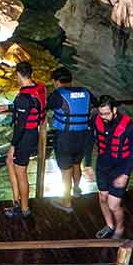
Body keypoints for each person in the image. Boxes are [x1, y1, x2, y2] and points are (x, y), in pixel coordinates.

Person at [45, 66, 93, 212]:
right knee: (77, 164)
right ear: (70, 81)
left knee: (66, 171)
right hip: (83, 136)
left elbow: (45, 106)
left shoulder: (58, 94)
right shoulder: (85, 92)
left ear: (56, 82)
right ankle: (77, 190)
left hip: (65, 137)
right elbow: (96, 104)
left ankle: (66, 203)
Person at [93, 95, 133, 239]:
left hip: (121, 167)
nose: (103, 117)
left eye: (106, 113)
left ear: (114, 110)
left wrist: (125, 174)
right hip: (102, 165)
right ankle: (109, 225)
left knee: (113, 205)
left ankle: (119, 228)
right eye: (101, 113)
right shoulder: (96, 120)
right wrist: (88, 164)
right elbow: (89, 140)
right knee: (102, 197)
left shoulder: (128, 126)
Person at [5, 61, 45, 219]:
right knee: (10, 163)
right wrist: (8, 107)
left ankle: (23, 209)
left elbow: (20, 126)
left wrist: (12, 146)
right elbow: (32, 107)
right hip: (34, 133)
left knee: (21, 172)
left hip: (25, 137)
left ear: (19, 75)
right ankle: (17, 202)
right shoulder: (40, 88)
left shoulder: (23, 97)